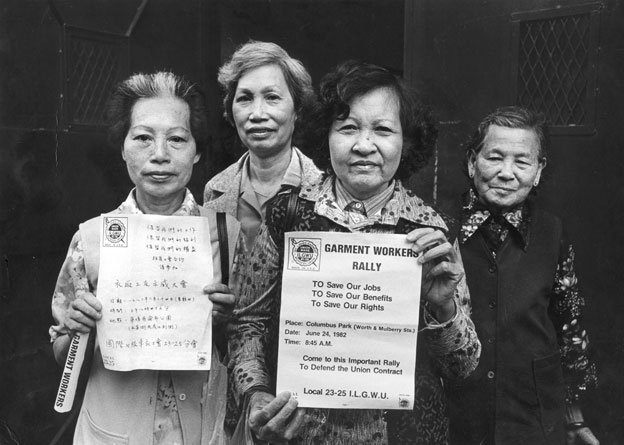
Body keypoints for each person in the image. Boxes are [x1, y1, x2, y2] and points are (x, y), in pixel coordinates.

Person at [227, 60, 481, 444]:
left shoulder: (430, 230)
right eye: (348, 128)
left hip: (404, 435)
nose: (364, 145)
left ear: (406, 141)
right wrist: (256, 391)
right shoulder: (287, 214)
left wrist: (443, 309)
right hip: (300, 433)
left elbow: (464, 366)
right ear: (325, 136)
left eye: (382, 130)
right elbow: (248, 322)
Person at [49, 71, 239, 444]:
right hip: (112, 433)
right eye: (142, 138)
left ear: (197, 150)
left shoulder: (227, 235)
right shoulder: (91, 239)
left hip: (201, 430)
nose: (160, 155)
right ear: (122, 147)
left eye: (177, 139)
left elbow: (250, 341)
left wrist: (225, 323)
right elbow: (62, 356)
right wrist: (76, 329)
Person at [446, 106, 599, 444]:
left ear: (539, 170)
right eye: (494, 157)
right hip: (459, 417)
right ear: (472, 162)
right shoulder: (441, 226)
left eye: (522, 161)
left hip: (532, 417)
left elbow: (569, 327)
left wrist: (574, 418)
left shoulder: (552, 231)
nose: (506, 172)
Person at [203, 40, 321, 252]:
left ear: (298, 110)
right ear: (231, 111)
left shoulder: (325, 190)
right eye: (245, 98)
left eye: (272, 97)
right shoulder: (215, 190)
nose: (257, 114)